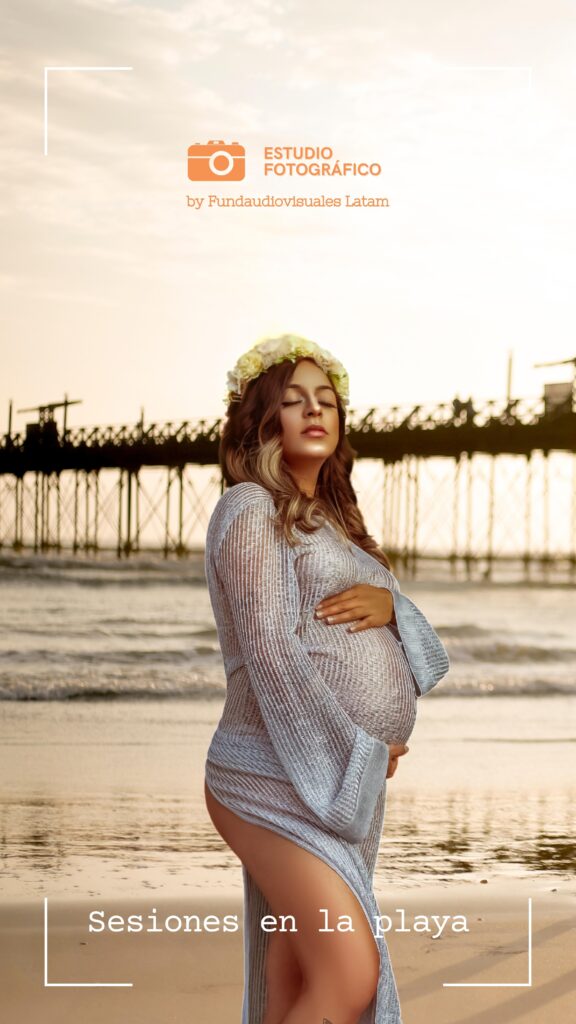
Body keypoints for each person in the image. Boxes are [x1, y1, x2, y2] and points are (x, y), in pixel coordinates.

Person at [203, 334, 450, 1024]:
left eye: (327, 400)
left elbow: (426, 663)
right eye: (292, 400)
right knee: (348, 976)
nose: (315, 410)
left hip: (336, 786)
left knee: (296, 979)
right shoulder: (248, 508)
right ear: (262, 418)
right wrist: (354, 752)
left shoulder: (340, 527)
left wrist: (395, 608)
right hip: (274, 780)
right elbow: (270, 650)